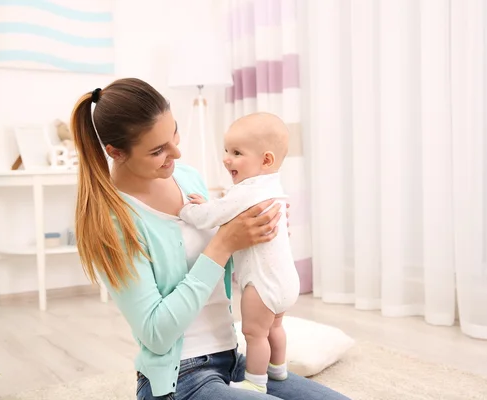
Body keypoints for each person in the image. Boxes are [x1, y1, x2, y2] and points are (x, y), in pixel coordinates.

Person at [70, 77, 350, 400]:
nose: (177, 152)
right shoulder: (111, 222)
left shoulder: (187, 178)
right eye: (158, 150)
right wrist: (225, 242)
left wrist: (260, 236)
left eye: (173, 132)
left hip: (233, 360)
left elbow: (218, 267)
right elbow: (157, 334)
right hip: (182, 380)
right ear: (116, 152)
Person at [178, 112, 300, 394]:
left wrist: (188, 210)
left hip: (262, 286)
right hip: (286, 282)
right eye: (226, 151)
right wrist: (215, 202)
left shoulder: (246, 190)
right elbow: (231, 210)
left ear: (266, 160)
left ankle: (255, 382)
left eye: (236, 152)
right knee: (275, 328)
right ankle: (278, 370)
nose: (226, 159)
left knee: (255, 333)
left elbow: (212, 215)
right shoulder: (272, 187)